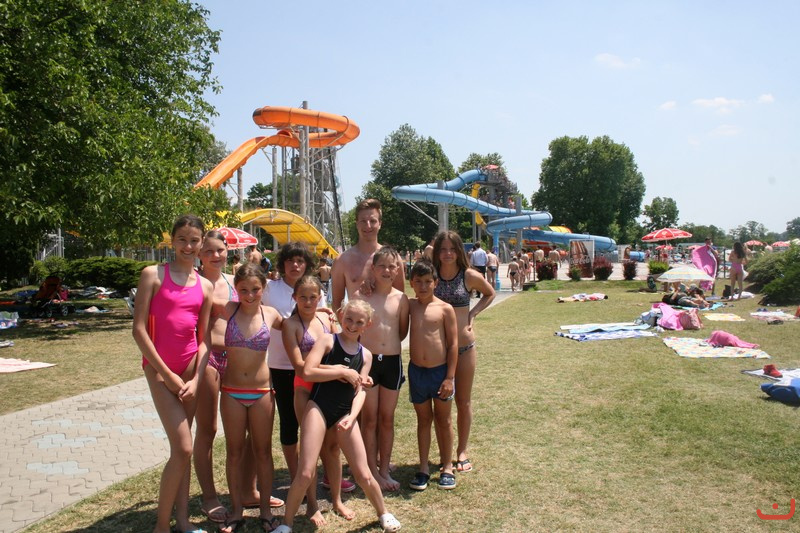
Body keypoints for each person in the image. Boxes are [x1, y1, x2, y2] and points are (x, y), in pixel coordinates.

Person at [272, 300, 402, 533]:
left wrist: (352, 417)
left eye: (359, 322)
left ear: (367, 325)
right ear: (341, 316)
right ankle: (286, 524)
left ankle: (384, 513)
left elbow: (360, 391)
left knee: (363, 473)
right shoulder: (328, 340)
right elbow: (308, 371)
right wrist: (342, 371)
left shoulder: (366, 355)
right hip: (318, 407)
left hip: (345, 413)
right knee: (305, 472)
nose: (352, 325)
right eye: (349, 319)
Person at [132, 214, 213, 533]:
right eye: (182, 239)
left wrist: (196, 378)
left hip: (190, 369)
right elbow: (139, 330)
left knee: (184, 448)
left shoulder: (205, 285)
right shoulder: (153, 275)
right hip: (158, 370)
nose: (188, 246)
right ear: (172, 240)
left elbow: (204, 339)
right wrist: (166, 374)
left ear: (201, 243)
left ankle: (182, 520)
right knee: (183, 447)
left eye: (194, 241)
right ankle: (161, 526)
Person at [261, 242, 354, 511]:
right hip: (284, 367)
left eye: (300, 261)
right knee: (291, 426)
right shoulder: (271, 289)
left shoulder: (315, 294)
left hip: (318, 372)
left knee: (324, 431)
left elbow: (326, 328)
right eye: (290, 260)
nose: (295, 265)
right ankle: (298, 478)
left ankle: (326, 479)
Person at [215, 263, 283, 533]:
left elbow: (298, 323)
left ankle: (265, 512)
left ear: (263, 288)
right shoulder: (229, 309)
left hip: (262, 392)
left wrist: (323, 314)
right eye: (244, 290)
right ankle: (236, 511)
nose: (250, 295)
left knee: (263, 452)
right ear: (236, 290)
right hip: (231, 391)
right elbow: (197, 302)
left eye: (255, 289)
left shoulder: (271, 314)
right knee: (234, 452)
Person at [281, 275, 351, 521]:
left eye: (313, 297)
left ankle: (336, 500)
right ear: (294, 298)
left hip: (328, 388)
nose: (308, 302)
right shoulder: (290, 325)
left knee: (332, 447)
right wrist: (338, 371)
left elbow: (338, 349)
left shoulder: (325, 319)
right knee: (310, 450)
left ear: (320, 297)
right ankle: (312, 504)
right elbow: (300, 368)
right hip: (304, 389)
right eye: (303, 297)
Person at [432, 231, 494, 473]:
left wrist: (472, 313)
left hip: (465, 348)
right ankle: (445, 454)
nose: (447, 254)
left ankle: (462, 451)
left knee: (463, 401)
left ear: (459, 251)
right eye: (443, 249)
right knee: (442, 404)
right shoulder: (433, 275)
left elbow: (489, 292)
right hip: (439, 350)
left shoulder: (468, 275)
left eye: (452, 249)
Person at [360, 246, 410, 492]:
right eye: (382, 266)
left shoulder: (401, 299)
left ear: (398, 270)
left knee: (387, 418)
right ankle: (370, 469)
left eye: (392, 266)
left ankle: (384, 468)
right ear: (373, 269)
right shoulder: (362, 296)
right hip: (368, 362)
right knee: (369, 418)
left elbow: (402, 332)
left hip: (391, 362)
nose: (387, 271)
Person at [406, 259, 458, 491]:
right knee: (423, 420)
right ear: (412, 283)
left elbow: (453, 345)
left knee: (443, 420)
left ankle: (447, 466)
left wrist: (450, 378)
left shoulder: (445, 309)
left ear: (436, 283)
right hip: (417, 371)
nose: (423, 286)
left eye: (428, 281)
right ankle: (424, 468)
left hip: (440, 372)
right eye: (418, 281)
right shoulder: (410, 305)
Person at [330, 199, 404, 312]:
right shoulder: (342, 261)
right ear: (357, 224)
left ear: (380, 224)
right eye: (363, 221)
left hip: (387, 322)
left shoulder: (394, 259)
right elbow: (337, 304)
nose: (368, 226)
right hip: (357, 322)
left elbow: (400, 301)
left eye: (373, 221)